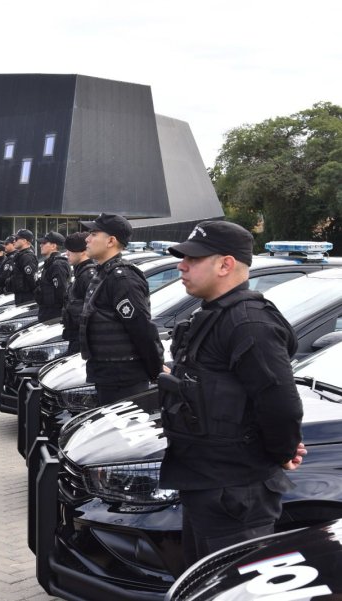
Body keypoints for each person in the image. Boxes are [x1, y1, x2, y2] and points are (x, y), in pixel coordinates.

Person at [159, 220, 306, 565]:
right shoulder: (212, 315)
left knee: (236, 584)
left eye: (193, 259)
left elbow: (281, 404)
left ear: (225, 264)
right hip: (206, 483)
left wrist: (282, 452)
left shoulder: (249, 322)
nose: (181, 265)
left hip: (236, 493)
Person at [78, 213, 163, 403]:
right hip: (109, 376)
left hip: (123, 380)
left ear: (111, 241)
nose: (87, 238)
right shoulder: (105, 273)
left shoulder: (122, 278)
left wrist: (156, 369)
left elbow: (142, 329)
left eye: (93, 233)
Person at [61, 232, 95, 354]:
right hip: (76, 335)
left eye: (71, 250)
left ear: (83, 251)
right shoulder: (80, 273)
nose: (67, 253)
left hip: (83, 339)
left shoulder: (88, 275)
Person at [33, 231, 70, 323]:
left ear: (53, 246)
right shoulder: (50, 263)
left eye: (44, 243)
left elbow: (61, 293)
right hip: (46, 311)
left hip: (54, 313)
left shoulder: (58, 265)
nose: (41, 245)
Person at [8, 229, 37, 305]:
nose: (14, 241)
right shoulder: (20, 255)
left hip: (26, 297)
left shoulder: (27, 257)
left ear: (24, 241)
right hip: (20, 295)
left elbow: (32, 280)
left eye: (16, 239)